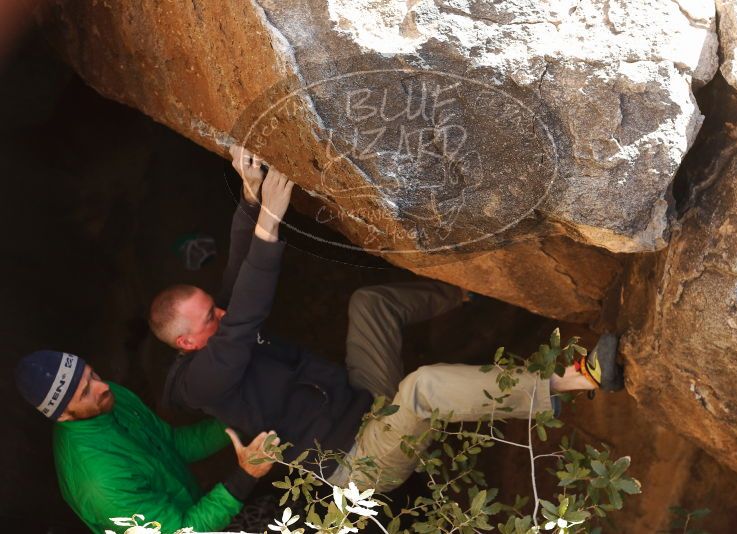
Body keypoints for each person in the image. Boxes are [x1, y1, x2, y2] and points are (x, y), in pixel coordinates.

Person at [149, 145, 624, 492]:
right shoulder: (202, 384)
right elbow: (245, 314)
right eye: (210, 317)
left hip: (365, 403)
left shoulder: (217, 332)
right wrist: (272, 222)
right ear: (187, 344)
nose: (223, 311)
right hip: (360, 464)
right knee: (423, 388)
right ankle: (574, 380)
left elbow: (235, 281)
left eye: (214, 305)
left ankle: (466, 289)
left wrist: (251, 199)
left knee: (369, 305)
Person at [14, 350, 277, 534]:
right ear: (62, 415)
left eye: (92, 375)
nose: (102, 386)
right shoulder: (100, 482)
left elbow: (173, 444)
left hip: (193, 509)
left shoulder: (108, 399)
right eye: (85, 392)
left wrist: (237, 416)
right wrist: (245, 476)